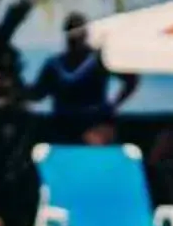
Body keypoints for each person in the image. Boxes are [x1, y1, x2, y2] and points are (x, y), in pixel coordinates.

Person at [28, 13, 137, 145]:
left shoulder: (99, 61)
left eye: (78, 34)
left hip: (95, 128)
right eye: (71, 35)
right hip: (63, 129)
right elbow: (38, 94)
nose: (74, 39)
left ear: (85, 34)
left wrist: (114, 105)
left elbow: (131, 79)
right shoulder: (54, 65)